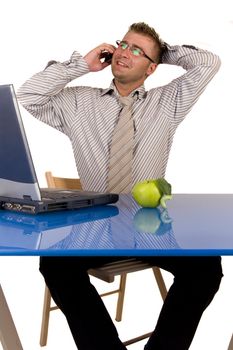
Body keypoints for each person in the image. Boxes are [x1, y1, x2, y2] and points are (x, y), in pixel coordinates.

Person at [18, 22, 223, 350]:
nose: (125, 52)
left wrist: (159, 50)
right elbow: (27, 94)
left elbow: (209, 62)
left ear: (152, 68)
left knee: (206, 269)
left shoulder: (168, 103)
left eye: (137, 51)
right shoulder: (77, 103)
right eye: (123, 45)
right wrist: (81, 65)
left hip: (151, 228)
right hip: (94, 228)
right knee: (54, 264)